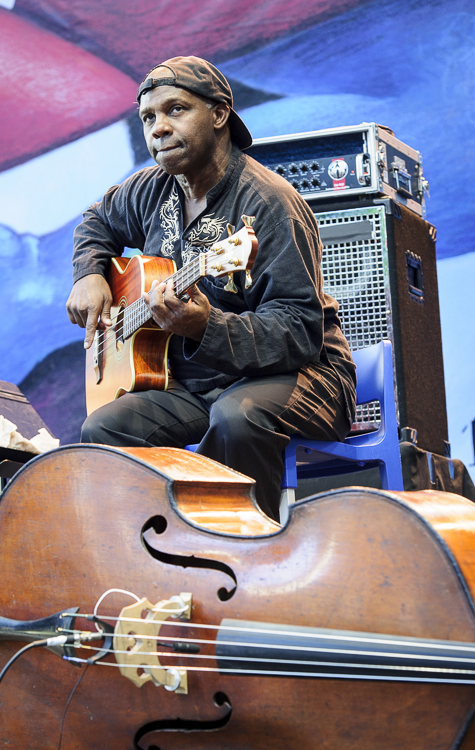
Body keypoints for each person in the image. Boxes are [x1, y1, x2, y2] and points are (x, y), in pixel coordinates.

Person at [67, 56, 356, 523]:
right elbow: (96, 220)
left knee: (238, 418)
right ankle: (143, 562)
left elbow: (300, 332)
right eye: (148, 117)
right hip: (199, 386)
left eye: (175, 110)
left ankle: (244, 558)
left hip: (306, 378)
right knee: (105, 428)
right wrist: (89, 274)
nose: (158, 128)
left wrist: (206, 327)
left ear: (219, 114)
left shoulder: (267, 203)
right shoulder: (150, 190)